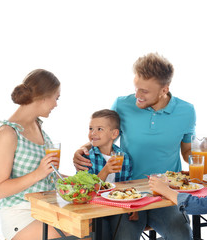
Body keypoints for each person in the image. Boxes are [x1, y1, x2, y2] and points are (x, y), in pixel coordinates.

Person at [73, 53, 195, 239]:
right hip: (126, 193)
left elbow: (187, 152)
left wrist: (201, 154)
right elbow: (106, 136)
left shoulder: (186, 111)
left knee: (183, 236)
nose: (137, 95)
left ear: (164, 89)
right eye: (136, 88)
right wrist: (83, 149)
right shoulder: (122, 105)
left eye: (145, 91)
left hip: (164, 194)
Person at [0, 69, 65, 240]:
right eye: (56, 98)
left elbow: (47, 174)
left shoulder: (38, 126)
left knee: (94, 227)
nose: (56, 104)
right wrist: (38, 173)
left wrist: (72, 180)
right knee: (78, 234)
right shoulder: (8, 133)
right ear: (43, 96)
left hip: (45, 208)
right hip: (21, 215)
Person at [85, 109, 132, 182]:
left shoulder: (124, 157)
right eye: (91, 128)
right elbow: (87, 189)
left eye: (99, 129)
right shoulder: (86, 158)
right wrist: (105, 171)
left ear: (114, 134)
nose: (93, 133)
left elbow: (126, 184)